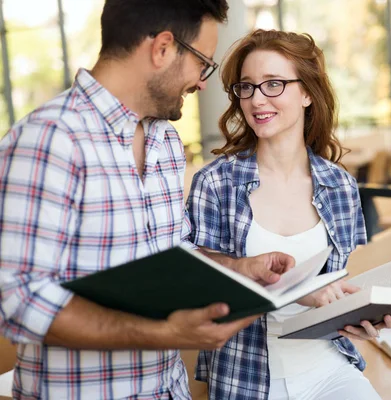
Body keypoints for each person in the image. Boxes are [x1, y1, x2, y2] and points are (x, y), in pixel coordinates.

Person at [0, 1, 296, 399]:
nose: (203, 82)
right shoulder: (50, 140)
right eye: (203, 63)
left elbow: (174, 255)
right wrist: (162, 334)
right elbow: (17, 299)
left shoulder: (166, 142)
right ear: (162, 49)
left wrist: (235, 268)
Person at [186, 29, 391, 400]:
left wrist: (356, 316)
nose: (256, 99)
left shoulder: (341, 186)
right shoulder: (215, 183)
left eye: (273, 84)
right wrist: (298, 292)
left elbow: (334, 286)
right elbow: (199, 287)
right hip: (246, 379)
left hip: (329, 368)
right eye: (247, 87)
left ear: (307, 93)